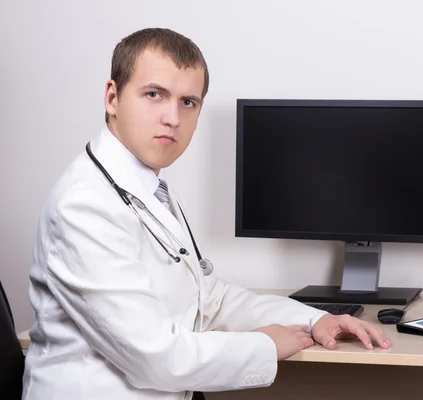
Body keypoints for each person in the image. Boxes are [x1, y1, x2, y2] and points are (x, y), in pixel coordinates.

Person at [21, 27, 391, 400]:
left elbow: (206, 299)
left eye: (188, 102)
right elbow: (155, 358)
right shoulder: (84, 205)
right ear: (113, 98)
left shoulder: (149, 190)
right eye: (154, 95)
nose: (173, 118)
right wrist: (264, 345)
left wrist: (315, 319)